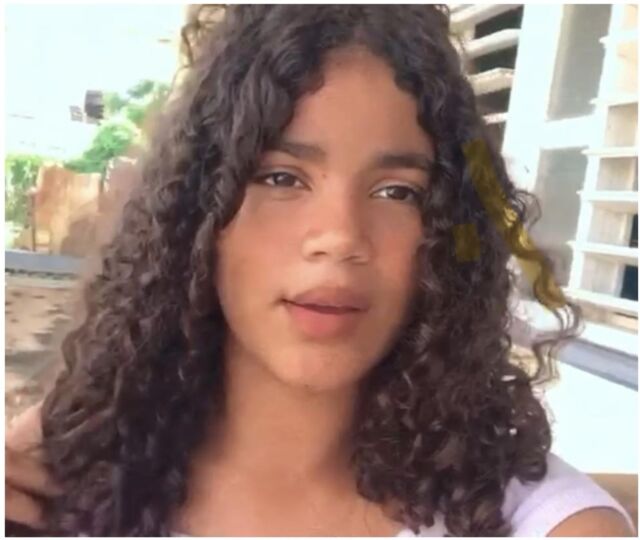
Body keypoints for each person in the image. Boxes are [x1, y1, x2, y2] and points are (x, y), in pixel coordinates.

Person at [5, 5, 636, 537]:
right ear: (196, 216)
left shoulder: (541, 523)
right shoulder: (50, 489)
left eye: (398, 192)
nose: (340, 237)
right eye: (282, 178)